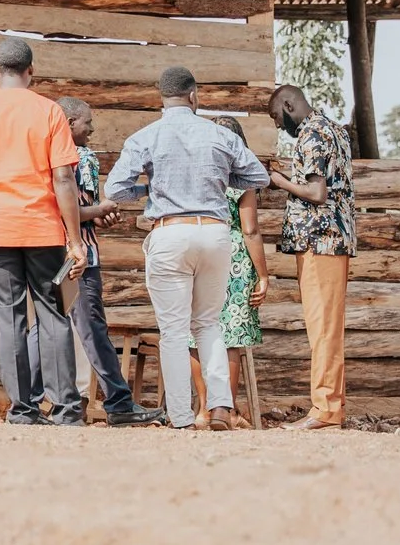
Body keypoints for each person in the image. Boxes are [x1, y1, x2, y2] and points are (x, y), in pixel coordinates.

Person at [105, 67, 269, 430]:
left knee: (175, 331)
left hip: (170, 233)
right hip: (214, 234)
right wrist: (218, 179)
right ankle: (221, 408)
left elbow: (114, 189)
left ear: (162, 99)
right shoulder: (217, 135)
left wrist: (149, 191)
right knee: (209, 323)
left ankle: (182, 417)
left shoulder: (146, 136)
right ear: (194, 96)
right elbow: (260, 176)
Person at [0, 38, 86, 425]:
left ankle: (23, 410)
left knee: (9, 320)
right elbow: (63, 176)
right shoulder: (49, 112)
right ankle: (65, 409)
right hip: (44, 230)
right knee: (54, 316)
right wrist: (74, 240)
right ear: (31, 71)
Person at [55, 97, 166, 428]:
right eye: (87, 121)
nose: (92, 128)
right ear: (71, 123)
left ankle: (57, 403)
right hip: (80, 256)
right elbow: (75, 210)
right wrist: (101, 211)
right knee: (92, 329)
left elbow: (76, 209)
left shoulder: (44, 156)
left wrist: (96, 214)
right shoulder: (82, 157)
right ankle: (118, 402)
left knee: (52, 328)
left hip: (48, 252)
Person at [269, 84, 356, 431]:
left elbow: (317, 192)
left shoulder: (311, 134)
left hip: (321, 242)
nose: (278, 126)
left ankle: (325, 410)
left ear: (289, 105)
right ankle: (330, 406)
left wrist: (280, 181)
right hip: (332, 241)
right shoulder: (334, 130)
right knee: (327, 328)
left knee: (322, 329)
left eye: (277, 117)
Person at [213, 115, 271, 415]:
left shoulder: (202, 173)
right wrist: (263, 275)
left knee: (195, 336)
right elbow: (250, 230)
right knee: (230, 339)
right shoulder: (243, 179)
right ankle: (227, 410)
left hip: (203, 247)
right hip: (234, 258)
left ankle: (201, 411)